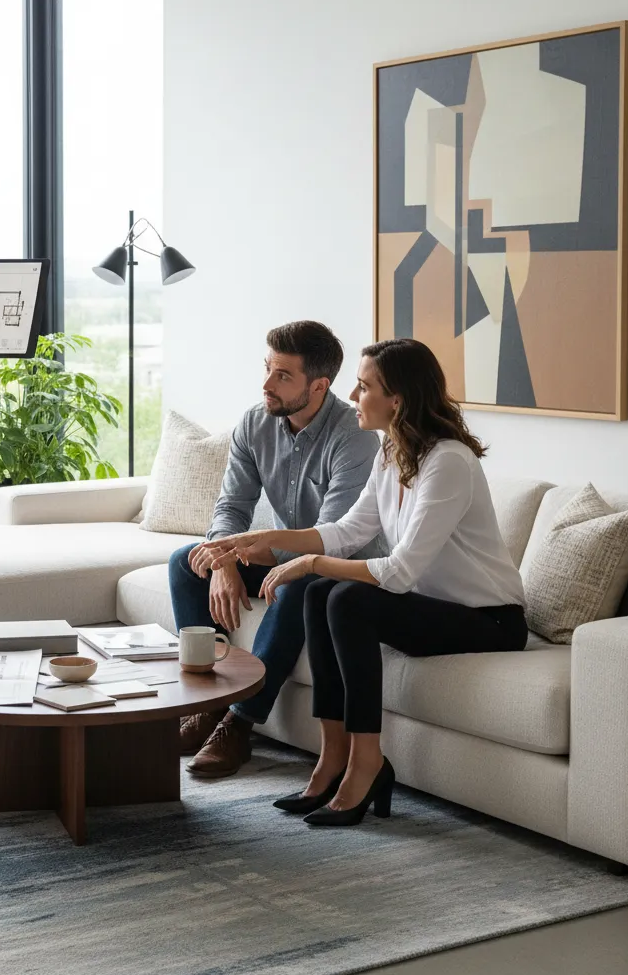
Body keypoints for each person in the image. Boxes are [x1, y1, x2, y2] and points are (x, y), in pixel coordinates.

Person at [207, 338, 527, 826]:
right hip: (432, 608)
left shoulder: (449, 462)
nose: (353, 397)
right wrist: (264, 538)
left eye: (364, 386)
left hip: (490, 621)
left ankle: (368, 762)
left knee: (347, 599)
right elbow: (349, 531)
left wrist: (308, 562)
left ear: (396, 398)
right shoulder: (393, 452)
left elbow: (398, 572)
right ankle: (333, 756)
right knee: (320, 593)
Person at [170, 320, 382, 778]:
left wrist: (238, 554)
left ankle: (238, 723)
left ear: (319, 385)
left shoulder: (356, 436)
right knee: (187, 564)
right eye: (267, 368)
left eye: (283, 375)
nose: (267, 384)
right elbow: (231, 505)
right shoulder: (254, 422)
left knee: (298, 587)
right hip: (283, 551)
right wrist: (222, 559)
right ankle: (204, 705)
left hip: (336, 564)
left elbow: (333, 536)